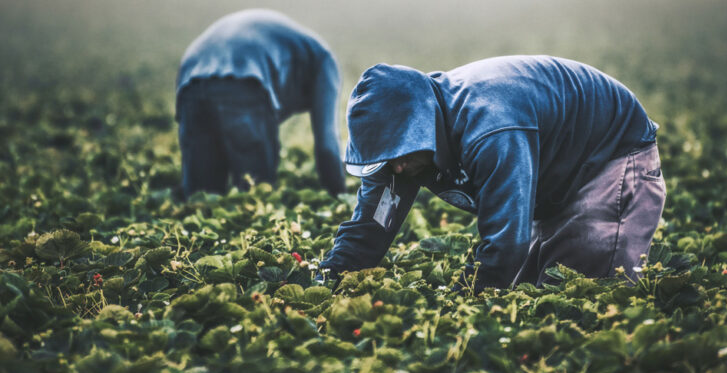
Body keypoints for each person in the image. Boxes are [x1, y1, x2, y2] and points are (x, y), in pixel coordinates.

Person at [319, 55, 666, 291]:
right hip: (552, 171)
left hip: (611, 155)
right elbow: (370, 227)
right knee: (537, 289)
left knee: (588, 290)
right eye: (385, 158)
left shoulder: (490, 127)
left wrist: (462, 299)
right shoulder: (401, 156)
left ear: (422, 127)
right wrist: (327, 281)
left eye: (400, 153)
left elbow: (506, 241)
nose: (395, 168)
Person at [175, 9, 345, 198]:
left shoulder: (300, 50)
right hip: (244, 76)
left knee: (201, 198)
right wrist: (339, 195)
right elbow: (327, 145)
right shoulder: (326, 62)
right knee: (254, 195)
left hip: (190, 78)